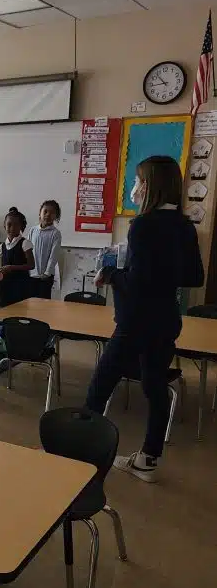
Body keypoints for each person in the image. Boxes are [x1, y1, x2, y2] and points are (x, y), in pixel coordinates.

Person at [85, 156, 204, 483]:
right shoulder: (184, 226)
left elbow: (137, 282)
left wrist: (110, 274)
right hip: (165, 321)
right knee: (154, 387)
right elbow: (194, 276)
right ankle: (148, 460)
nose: (133, 188)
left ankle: (78, 452)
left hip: (135, 323)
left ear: (150, 185)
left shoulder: (143, 225)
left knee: (99, 388)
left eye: (137, 181)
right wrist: (161, 274)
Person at [0, 209, 35, 307]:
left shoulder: (25, 243)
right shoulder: (2, 246)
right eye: (9, 224)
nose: (12, 228)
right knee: (4, 311)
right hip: (5, 285)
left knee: (19, 311)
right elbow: (2, 265)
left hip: (20, 285)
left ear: (21, 226)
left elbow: (31, 265)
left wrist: (12, 267)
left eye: (16, 225)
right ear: (4, 225)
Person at [26, 200, 62, 299]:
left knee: (43, 302)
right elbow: (27, 250)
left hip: (45, 277)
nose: (48, 215)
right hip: (31, 274)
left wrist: (47, 273)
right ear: (40, 213)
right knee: (30, 302)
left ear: (56, 217)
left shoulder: (55, 233)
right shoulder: (33, 230)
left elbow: (53, 256)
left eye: (52, 212)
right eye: (45, 211)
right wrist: (27, 269)